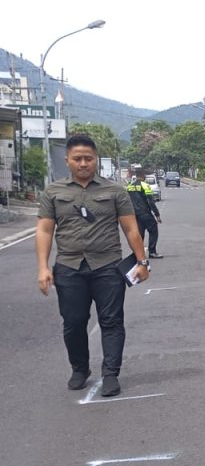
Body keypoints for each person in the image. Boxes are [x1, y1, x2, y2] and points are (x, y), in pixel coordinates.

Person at [35, 133, 151, 398]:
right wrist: (43, 267)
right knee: (73, 322)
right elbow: (44, 230)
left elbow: (131, 228)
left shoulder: (115, 191)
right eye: (77, 158)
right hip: (69, 267)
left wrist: (142, 262)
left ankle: (110, 374)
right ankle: (80, 368)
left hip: (108, 266)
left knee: (112, 321)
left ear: (96, 159)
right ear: (67, 160)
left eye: (88, 158)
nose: (83, 163)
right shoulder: (53, 192)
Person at [125, 168, 163, 259]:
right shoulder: (145, 185)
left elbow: (127, 201)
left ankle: (138, 253)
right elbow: (151, 202)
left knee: (140, 233)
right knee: (153, 230)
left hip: (134, 214)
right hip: (145, 213)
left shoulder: (130, 186)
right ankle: (152, 252)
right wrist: (157, 215)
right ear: (143, 175)